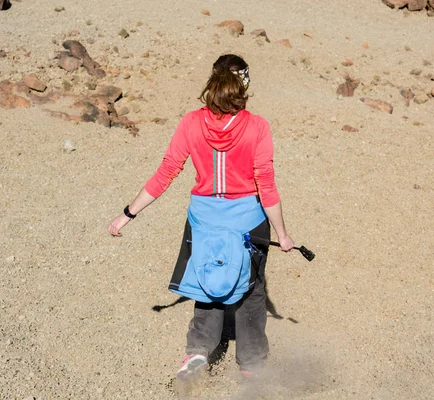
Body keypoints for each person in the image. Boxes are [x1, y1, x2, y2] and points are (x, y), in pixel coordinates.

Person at [107, 54, 294, 381]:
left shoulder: (190, 123)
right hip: (248, 224)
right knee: (251, 293)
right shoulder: (258, 127)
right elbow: (266, 184)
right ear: (244, 84)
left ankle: (196, 353)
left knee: (207, 285)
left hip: (203, 221)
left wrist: (127, 214)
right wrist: (283, 233)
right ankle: (252, 365)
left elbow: (166, 172)